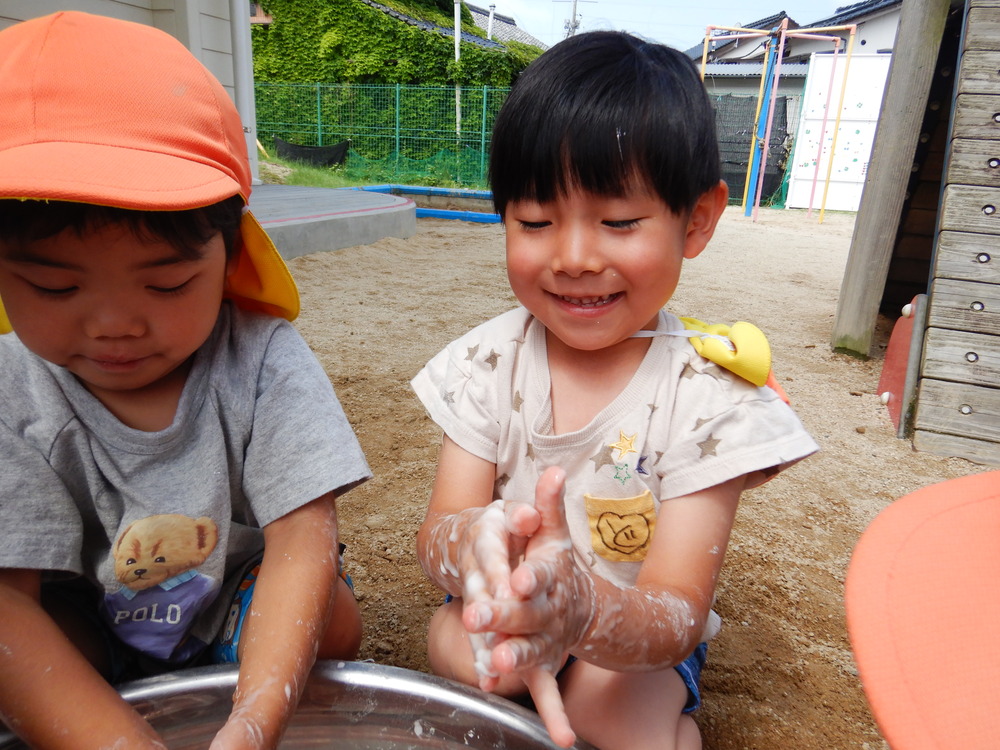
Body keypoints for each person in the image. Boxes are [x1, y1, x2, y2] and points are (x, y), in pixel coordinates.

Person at [411, 30, 819, 750]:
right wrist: (476, 545)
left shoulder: (706, 393)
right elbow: (439, 530)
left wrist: (582, 614)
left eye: (620, 222)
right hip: (513, 601)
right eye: (535, 222)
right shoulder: (486, 360)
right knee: (477, 663)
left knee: (609, 707)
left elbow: (675, 609)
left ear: (695, 220)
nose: (573, 258)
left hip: (631, 631)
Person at [0, 11, 370, 750]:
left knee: (331, 616)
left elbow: (303, 537)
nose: (114, 326)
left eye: (165, 284)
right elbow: (11, 605)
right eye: (54, 288)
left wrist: (255, 722)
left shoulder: (261, 358)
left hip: (234, 598)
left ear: (230, 257)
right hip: (85, 616)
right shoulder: (15, 391)